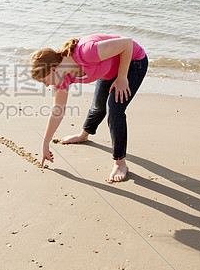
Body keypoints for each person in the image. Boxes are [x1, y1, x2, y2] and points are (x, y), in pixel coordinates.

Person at [31, 34, 148, 182]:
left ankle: (120, 162)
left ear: (53, 69)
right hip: (108, 71)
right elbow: (57, 111)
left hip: (133, 61)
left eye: (45, 81)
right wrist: (45, 143)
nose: (47, 85)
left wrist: (122, 78)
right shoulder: (63, 78)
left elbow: (127, 44)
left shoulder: (86, 52)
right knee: (99, 106)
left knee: (114, 108)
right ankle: (83, 135)